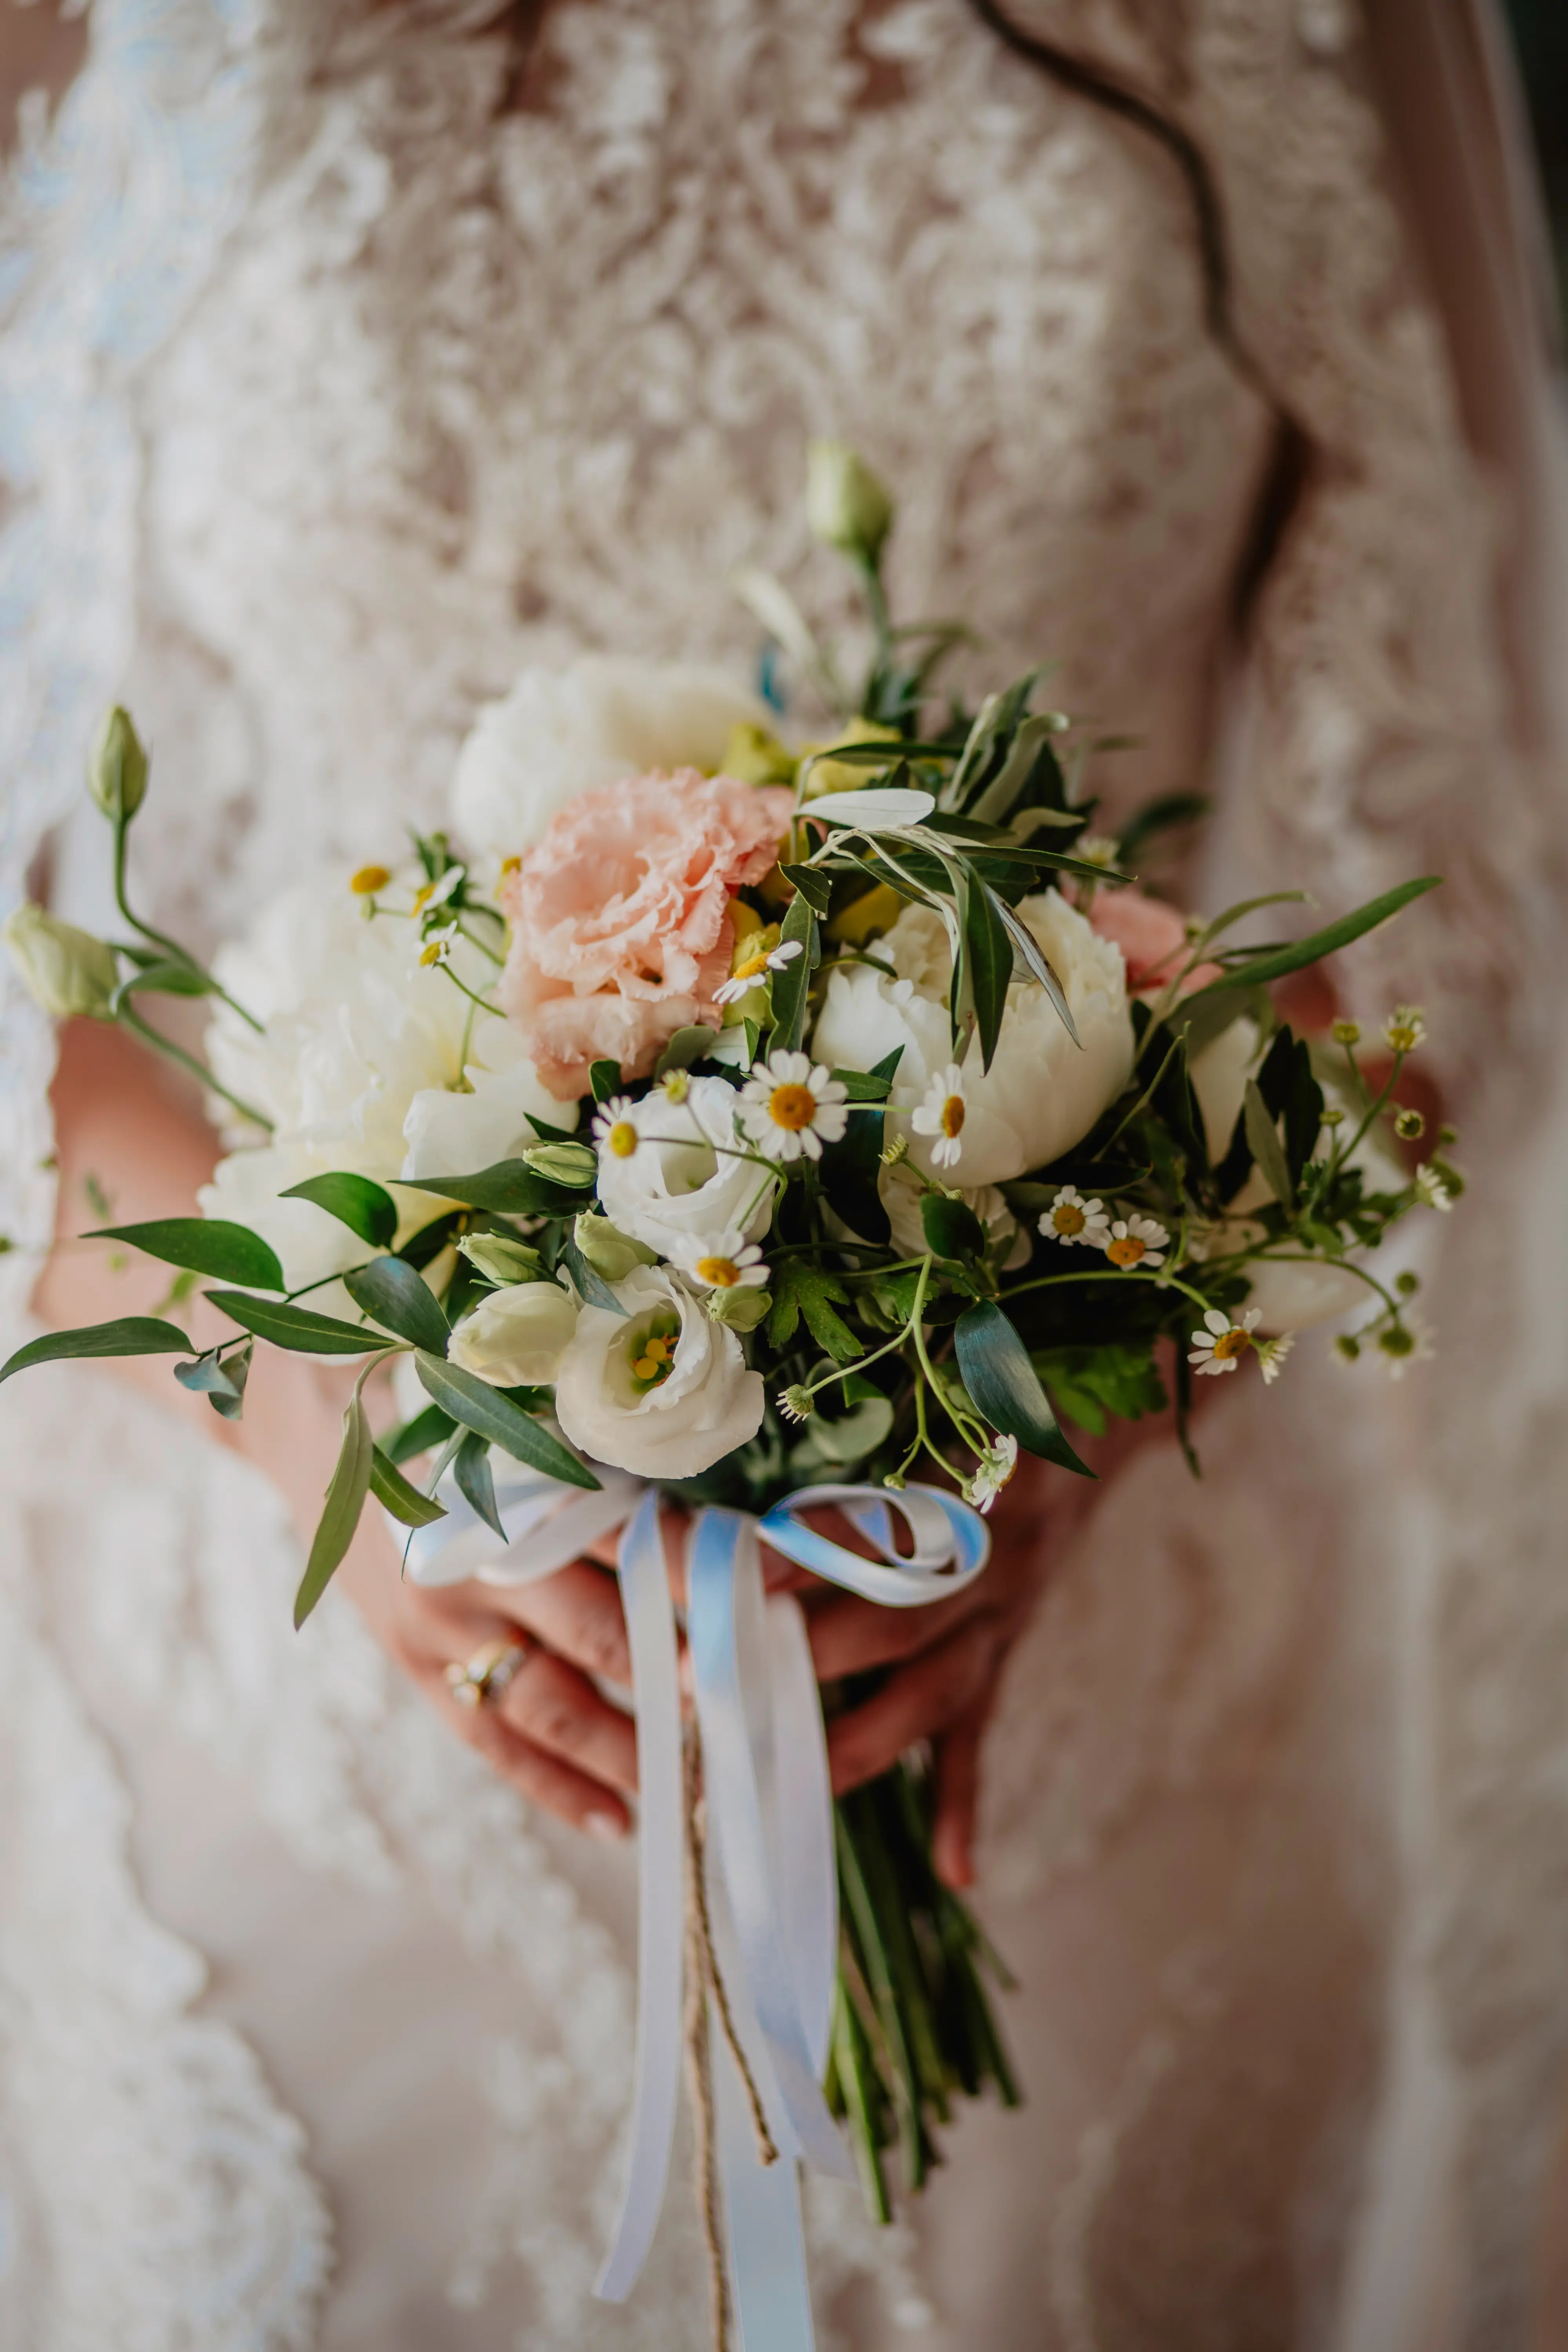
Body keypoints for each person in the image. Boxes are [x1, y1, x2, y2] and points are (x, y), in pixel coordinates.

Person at [2, 4, 1564, 2346]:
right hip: (309, 1741)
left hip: (1093, 1711)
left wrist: (1084, 1409)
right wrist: (339, 1425)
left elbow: (1455, 905)